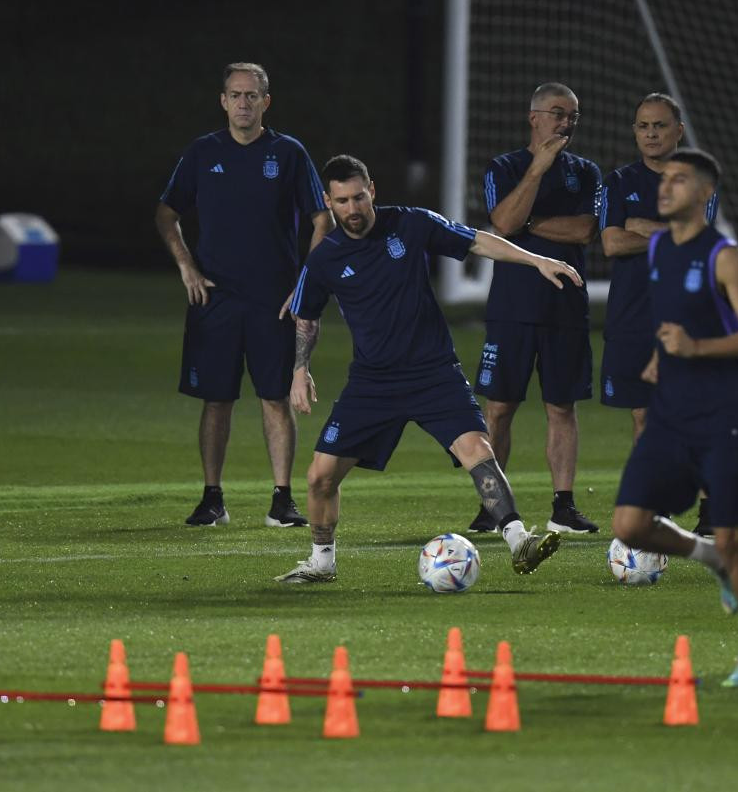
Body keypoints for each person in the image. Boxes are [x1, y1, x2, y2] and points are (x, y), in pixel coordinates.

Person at [275, 155, 581, 583]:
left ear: (372, 191)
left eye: (359, 197)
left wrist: (537, 261)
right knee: (319, 477)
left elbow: (476, 240)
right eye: (342, 201)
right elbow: (306, 316)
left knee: (479, 451)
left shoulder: (410, 224)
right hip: (373, 382)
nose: (353, 208)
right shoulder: (324, 259)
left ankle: (518, 540)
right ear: (328, 201)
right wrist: (298, 371)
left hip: (433, 372)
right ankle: (322, 562)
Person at [612, 149, 738, 687]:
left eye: (679, 180)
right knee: (629, 524)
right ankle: (708, 558)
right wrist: (665, 355)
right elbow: (673, 322)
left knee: (737, 539)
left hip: (725, 413)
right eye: (665, 179)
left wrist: (694, 346)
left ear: (705, 194)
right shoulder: (658, 249)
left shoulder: (724, 257)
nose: (665, 186)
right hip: (671, 413)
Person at [156, 62, 334, 527]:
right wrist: (186, 266)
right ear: (223, 101)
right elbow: (166, 212)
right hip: (215, 298)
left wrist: (304, 284)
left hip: (273, 299)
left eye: (252, 96)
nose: (243, 103)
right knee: (216, 398)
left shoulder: (288, 153)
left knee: (275, 397)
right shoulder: (202, 152)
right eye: (235, 95)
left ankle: (282, 499)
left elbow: (322, 219)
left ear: (266, 102)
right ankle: (212, 497)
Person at [470, 82, 601, 536]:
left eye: (573, 116)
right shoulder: (504, 167)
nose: (566, 123)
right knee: (500, 407)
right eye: (558, 113)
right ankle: (493, 507)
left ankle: (563, 507)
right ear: (534, 117)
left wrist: (527, 224)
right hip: (513, 306)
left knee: (561, 407)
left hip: (566, 305)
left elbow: (586, 229)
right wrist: (537, 171)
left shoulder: (585, 172)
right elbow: (501, 223)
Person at [598, 93, 718, 535]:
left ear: (678, 131)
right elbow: (610, 243)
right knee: (643, 417)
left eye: (660, 126)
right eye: (643, 126)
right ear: (635, 131)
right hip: (631, 316)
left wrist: (641, 228)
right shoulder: (617, 182)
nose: (651, 133)